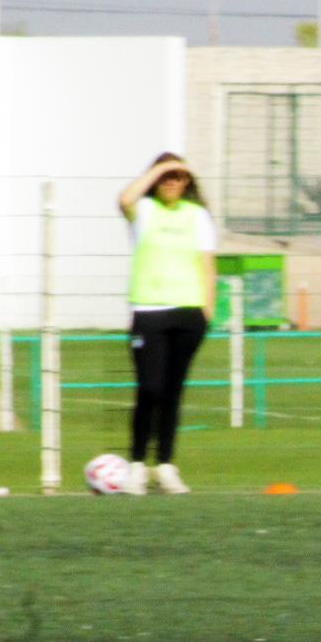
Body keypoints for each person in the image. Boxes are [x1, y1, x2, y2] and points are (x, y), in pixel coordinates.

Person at [116, 153, 215, 496]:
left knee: (173, 392)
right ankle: (137, 466)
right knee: (150, 389)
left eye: (179, 177)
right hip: (149, 311)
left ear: (188, 183)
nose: (172, 183)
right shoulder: (142, 211)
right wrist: (161, 167)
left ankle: (167, 466)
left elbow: (207, 264)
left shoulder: (197, 215)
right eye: (166, 177)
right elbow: (124, 199)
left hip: (188, 313)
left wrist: (207, 312)